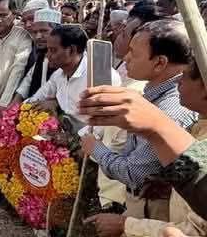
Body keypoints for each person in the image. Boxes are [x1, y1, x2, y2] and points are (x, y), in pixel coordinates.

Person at [82, 19, 198, 222]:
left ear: (159, 63)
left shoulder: (171, 109)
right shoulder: (156, 95)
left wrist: (96, 149)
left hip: (155, 216)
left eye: (134, 53)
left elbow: (135, 173)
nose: (126, 58)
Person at [86, 59, 207, 237]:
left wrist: (126, 225)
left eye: (187, 76)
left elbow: (195, 232)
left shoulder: (170, 112)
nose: (179, 80)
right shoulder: (198, 127)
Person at [26, 25, 120, 122]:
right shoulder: (59, 74)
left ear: (72, 50)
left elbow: (104, 125)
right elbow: (38, 97)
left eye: (53, 50)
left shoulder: (100, 76)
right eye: (48, 50)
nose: (48, 55)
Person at [13, 8, 61, 102]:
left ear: (57, 31)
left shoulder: (66, 58)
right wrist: (13, 106)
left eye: (44, 31)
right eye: (35, 32)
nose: (38, 36)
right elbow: (27, 82)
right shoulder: (41, 56)